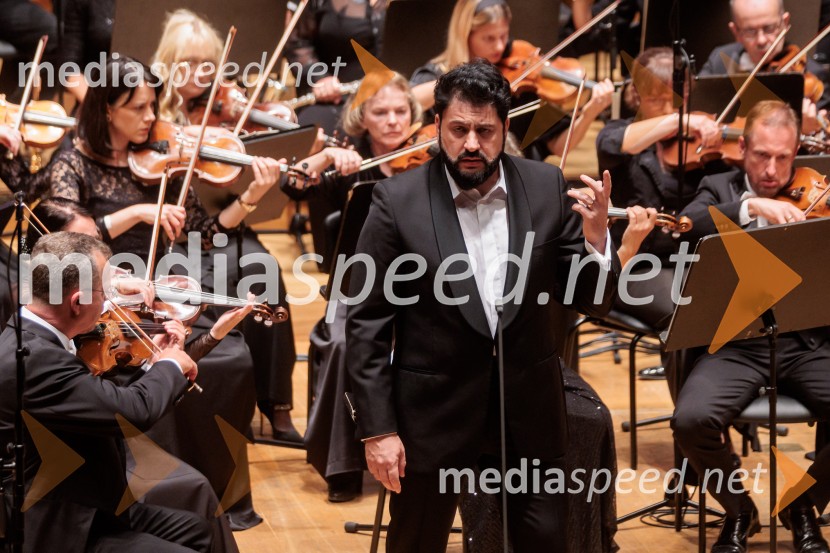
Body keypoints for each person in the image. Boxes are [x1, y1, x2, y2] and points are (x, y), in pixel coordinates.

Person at [346, 60, 619, 551]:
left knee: (544, 542)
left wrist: (597, 243)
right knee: (416, 544)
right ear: (437, 128)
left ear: (505, 128)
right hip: (431, 418)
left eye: (484, 130)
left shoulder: (545, 187)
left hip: (527, 415)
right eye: (458, 129)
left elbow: (588, 300)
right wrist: (378, 429)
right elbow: (365, 323)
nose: (471, 143)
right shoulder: (396, 201)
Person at [44, 55, 273, 528]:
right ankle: (166, 487)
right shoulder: (71, 164)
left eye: (154, 105)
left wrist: (249, 197)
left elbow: (204, 234)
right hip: (104, 299)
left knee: (233, 357)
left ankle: (224, 494)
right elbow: (60, 246)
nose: (153, 117)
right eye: (140, 107)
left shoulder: (167, 160)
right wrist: (139, 213)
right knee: (174, 361)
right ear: (108, 108)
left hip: (161, 291)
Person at [674, 100, 830, 553]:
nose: (772, 168)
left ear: (797, 152)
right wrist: (749, 205)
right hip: (735, 345)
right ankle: (739, 510)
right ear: (741, 147)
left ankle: (803, 506)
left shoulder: (815, 192)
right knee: (690, 420)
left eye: (783, 157)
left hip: (807, 342)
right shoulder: (717, 185)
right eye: (761, 155)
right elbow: (684, 225)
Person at [0, 231, 212, 553]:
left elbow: (93, 397)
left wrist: (154, 364)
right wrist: (168, 366)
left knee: (199, 530)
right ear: (78, 302)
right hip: (64, 526)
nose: (110, 300)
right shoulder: (33, 358)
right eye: (105, 290)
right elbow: (131, 414)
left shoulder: (41, 337)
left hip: (96, 503)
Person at [150, 11, 303, 444]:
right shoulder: (153, 114)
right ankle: (218, 392)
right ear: (169, 61)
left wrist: (258, 185)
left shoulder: (223, 114)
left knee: (265, 270)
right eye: (190, 62)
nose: (201, 74)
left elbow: (223, 219)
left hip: (226, 226)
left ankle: (278, 406)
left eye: (208, 63)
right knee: (203, 273)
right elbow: (192, 227)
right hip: (178, 236)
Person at [281, 72, 421, 502]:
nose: (393, 121)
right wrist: (325, 158)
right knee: (344, 342)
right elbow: (292, 183)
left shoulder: (429, 160)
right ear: (363, 117)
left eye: (401, 111)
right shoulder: (348, 161)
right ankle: (341, 462)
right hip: (356, 287)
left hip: (422, 286)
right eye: (381, 112)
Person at [597, 46, 730, 334]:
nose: (668, 110)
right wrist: (683, 119)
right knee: (687, 312)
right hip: (634, 267)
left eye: (676, 102)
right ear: (637, 94)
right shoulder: (614, 135)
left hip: (695, 262)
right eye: (656, 100)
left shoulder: (698, 145)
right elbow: (622, 143)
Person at [410, 0, 615, 162]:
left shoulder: (520, 86)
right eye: (489, 38)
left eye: (503, 36)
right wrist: (463, 77)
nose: (499, 47)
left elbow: (559, 146)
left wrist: (590, 113)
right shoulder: (437, 72)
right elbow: (409, 102)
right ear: (465, 36)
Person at [698, 0, 830, 127]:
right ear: (735, 31)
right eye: (750, 31)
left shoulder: (812, 74)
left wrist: (806, 130)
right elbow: (694, 108)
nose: (761, 40)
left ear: (785, 22)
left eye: (769, 28)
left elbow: (823, 142)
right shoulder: (720, 60)